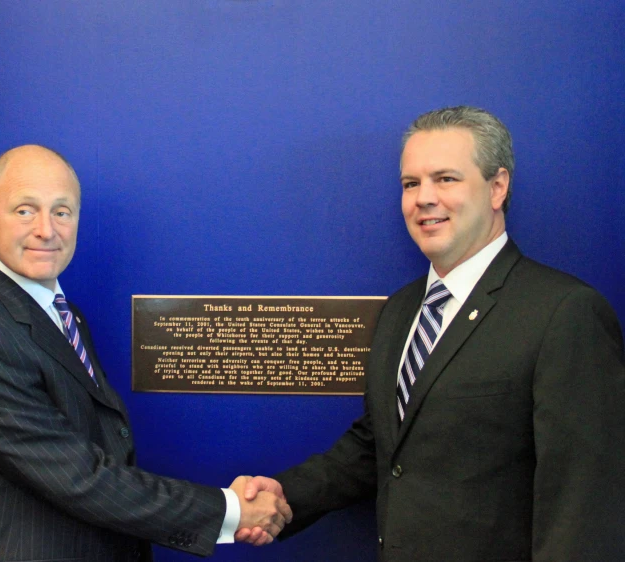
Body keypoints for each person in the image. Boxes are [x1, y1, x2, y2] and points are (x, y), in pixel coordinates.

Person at [238, 106, 625, 560]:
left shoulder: (564, 311)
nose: (423, 198)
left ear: (497, 187)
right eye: (410, 184)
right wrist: (286, 497)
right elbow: (383, 443)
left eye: (446, 179)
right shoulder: (401, 310)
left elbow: (583, 504)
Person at [0, 144, 291, 562]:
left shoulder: (60, 313)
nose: (46, 229)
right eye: (25, 210)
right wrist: (233, 511)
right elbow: (79, 478)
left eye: (62, 211)